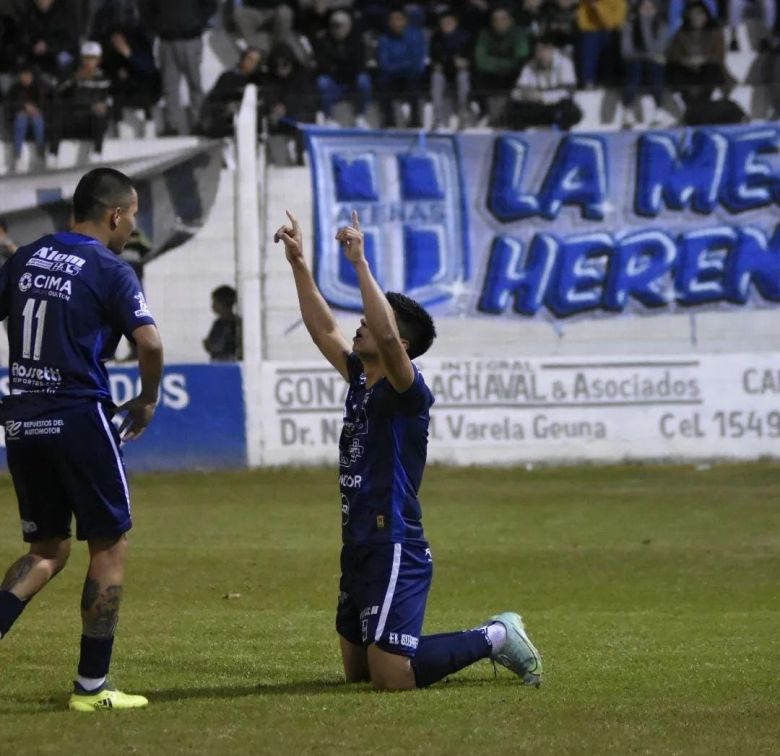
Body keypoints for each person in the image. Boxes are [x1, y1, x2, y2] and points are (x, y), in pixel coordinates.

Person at [274, 208, 543, 691]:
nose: (358, 326)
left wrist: (359, 264)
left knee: (392, 677)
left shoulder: (406, 390)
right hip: (357, 542)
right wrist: (299, 264)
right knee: (357, 673)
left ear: (398, 342)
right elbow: (322, 329)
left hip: (395, 541)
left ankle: (498, 635)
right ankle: (431, 643)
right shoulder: (361, 378)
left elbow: (390, 346)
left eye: (372, 322)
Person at [0, 167, 164, 712]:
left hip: (22, 419)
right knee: (109, 543)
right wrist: (146, 398)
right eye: (133, 214)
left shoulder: (24, 259)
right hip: (77, 414)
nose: (132, 224)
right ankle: (93, 686)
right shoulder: (110, 269)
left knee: (46, 549)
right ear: (115, 214)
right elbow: (150, 342)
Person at [49, 41, 112, 159]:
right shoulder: (73, 77)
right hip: (74, 120)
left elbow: (107, 102)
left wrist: (100, 107)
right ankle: (53, 154)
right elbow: (59, 93)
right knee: (58, 116)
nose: (89, 62)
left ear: (99, 60)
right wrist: (73, 79)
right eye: (86, 58)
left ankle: (97, 153)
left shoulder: (104, 79)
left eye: (93, 58)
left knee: (100, 116)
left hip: (92, 123)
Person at [508, 35, 582, 130]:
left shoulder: (564, 63)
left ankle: (561, 135)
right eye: (538, 51)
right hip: (535, 106)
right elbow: (516, 92)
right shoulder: (529, 66)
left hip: (556, 106)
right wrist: (526, 95)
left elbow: (568, 92)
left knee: (570, 110)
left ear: (551, 49)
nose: (541, 55)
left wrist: (542, 96)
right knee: (514, 110)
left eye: (543, 50)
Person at [313, 10, 372, 128]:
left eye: (340, 26)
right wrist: (343, 65)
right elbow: (323, 67)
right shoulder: (323, 41)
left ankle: (360, 116)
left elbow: (360, 66)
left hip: (352, 83)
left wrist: (338, 66)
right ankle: (328, 117)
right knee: (322, 82)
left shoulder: (357, 41)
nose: (337, 29)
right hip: (334, 84)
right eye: (334, 26)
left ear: (349, 26)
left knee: (364, 81)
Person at [620, 0, 670, 127]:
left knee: (654, 70)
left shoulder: (661, 25)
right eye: (644, 7)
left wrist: (645, 26)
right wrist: (641, 23)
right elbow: (626, 50)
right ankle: (628, 109)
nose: (647, 10)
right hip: (634, 60)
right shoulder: (630, 25)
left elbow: (658, 48)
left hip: (653, 61)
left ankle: (659, 108)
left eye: (650, 7)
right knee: (635, 70)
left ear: (656, 9)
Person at [376, 8, 427, 127]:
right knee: (384, 84)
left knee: (413, 82)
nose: (396, 23)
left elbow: (417, 63)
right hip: (392, 77)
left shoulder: (416, 36)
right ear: (389, 23)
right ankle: (389, 123)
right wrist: (404, 65)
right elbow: (384, 65)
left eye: (399, 19)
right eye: (393, 20)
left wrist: (398, 66)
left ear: (405, 21)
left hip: (411, 75)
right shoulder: (384, 39)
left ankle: (415, 122)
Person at [200, 47, 264, 138]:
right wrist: (226, 108)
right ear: (243, 59)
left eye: (256, 61)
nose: (252, 63)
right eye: (250, 59)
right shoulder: (228, 78)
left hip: (251, 128)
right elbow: (213, 101)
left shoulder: (260, 81)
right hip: (226, 127)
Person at [429, 8, 473, 130]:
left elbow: (469, 58)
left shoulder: (465, 37)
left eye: (449, 22)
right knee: (436, 78)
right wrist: (438, 64)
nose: (446, 25)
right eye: (443, 23)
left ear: (455, 22)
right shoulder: (436, 38)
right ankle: (437, 119)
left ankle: (463, 117)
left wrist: (465, 62)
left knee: (462, 78)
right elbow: (435, 58)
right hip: (443, 72)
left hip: (461, 72)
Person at [7, 65, 50, 167]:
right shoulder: (15, 88)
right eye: (24, 75)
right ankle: (17, 155)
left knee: (38, 121)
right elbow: (10, 103)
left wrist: (34, 109)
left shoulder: (38, 87)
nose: (26, 78)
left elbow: (43, 102)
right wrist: (24, 106)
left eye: (28, 76)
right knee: (21, 121)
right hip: (20, 114)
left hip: (36, 114)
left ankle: (41, 153)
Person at [203, 285, 242, 361]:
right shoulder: (218, 323)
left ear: (223, 304)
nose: (212, 305)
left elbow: (217, 347)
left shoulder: (233, 324)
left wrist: (209, 346)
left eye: (215, 301)